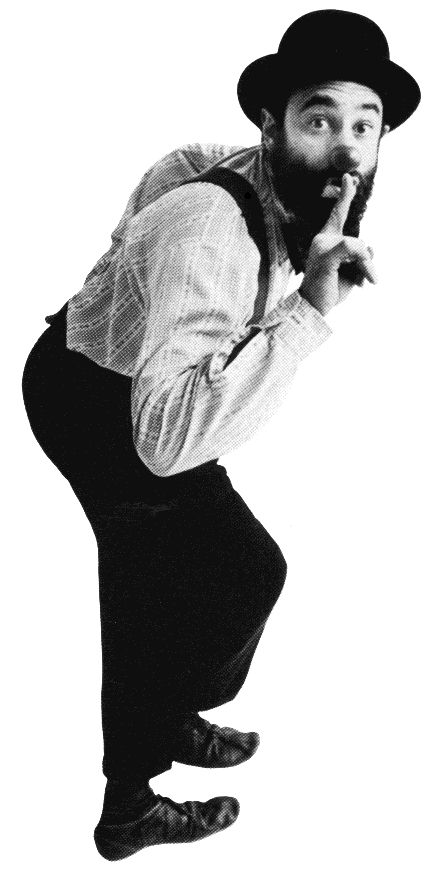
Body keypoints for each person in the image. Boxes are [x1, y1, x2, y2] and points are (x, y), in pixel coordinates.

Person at [21, 9, 420, 862]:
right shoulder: (213, 226)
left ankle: (164, 718)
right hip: (95, 400)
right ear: (272, 125)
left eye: (366, 125)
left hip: (115, 376)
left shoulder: (244, 177)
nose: (347, 151)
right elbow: (166, 444)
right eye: (320, 120)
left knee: (219, 574)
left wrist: (147, 282)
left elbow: (162, 184)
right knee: (181, 587)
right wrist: (306, 312)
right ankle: (130, 805)